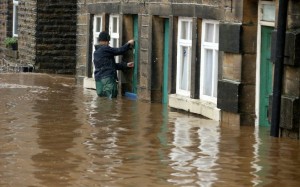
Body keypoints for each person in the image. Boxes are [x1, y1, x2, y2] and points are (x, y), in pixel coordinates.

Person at [93, 31, 134, 98]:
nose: (109, 43)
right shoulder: (105, 48)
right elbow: (119, 50)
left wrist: (126, 65)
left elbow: (111, 66)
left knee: (102, 104)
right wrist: (128, 44)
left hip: (99, 83)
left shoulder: (96, 52)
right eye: (108, 41)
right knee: (111, 103)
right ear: (105, 41)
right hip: (107, 81)